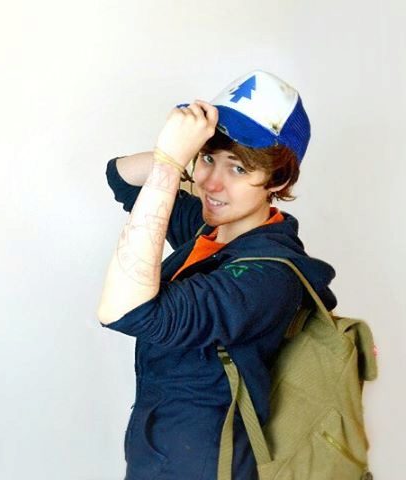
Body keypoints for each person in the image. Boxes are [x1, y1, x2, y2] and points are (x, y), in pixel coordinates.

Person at [96, 70, 337, 480]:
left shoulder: (267, 278)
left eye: (238, 169)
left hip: (207, 469)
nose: (209, 183)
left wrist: (172, 164)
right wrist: (178, 150)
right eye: (208, 158)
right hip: (159, 457)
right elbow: (121, 177)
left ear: (277, 178)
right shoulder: (210, 231)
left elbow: (124, 310)